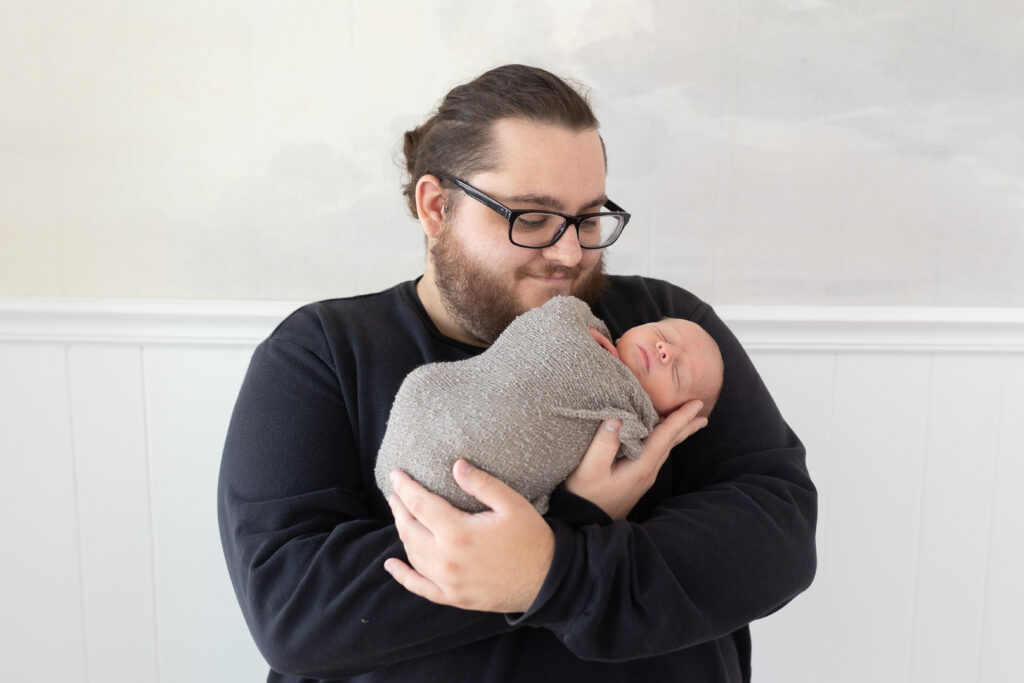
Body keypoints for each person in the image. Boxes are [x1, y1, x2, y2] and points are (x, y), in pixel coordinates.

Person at [218, 64, 817, 682]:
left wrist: (549, 571)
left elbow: (776, 535)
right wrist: (570, 520)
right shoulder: (322, 353)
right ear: (435, 206)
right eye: (531, 218)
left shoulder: (662, 332)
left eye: (588, 219)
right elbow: (295, 612)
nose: (570, 252)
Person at [374, 294, 724, 514]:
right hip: (436, 400)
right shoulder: (580, 322)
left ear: (667, 416)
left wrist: (581, 510)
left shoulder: (632, 418)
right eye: (664, 337)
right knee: (422, 383)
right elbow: (556, 315)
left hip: (474, 462)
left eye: (677, 373)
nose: (666, 352)